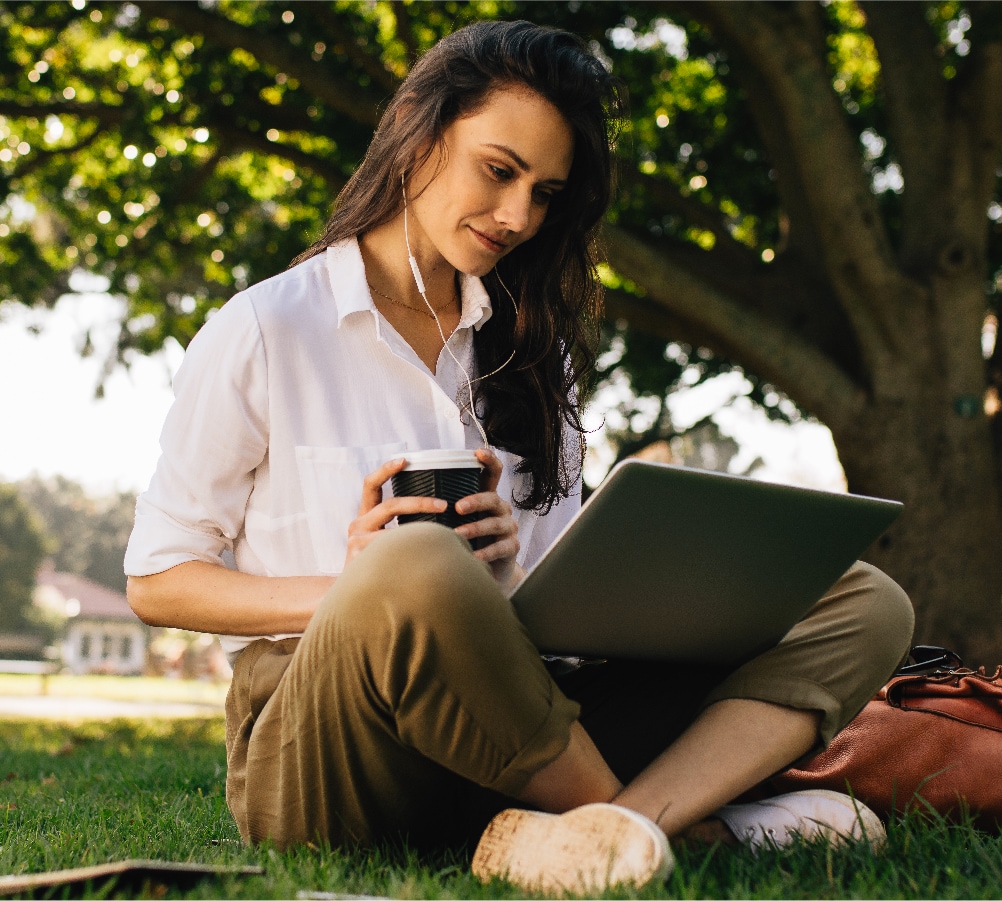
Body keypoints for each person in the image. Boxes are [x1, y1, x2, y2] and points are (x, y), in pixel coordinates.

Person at [124, 20, 914, 895]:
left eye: (544, 193)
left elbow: (555, 608)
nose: (517, 217)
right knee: (414, 562)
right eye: (498, 171)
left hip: (513, 729)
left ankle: (599, 836)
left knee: (862, 598)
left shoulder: (535, 355)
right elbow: (158, 580)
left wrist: (517, 568)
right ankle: (669, 831)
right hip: (330, 751)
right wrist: (356, 586)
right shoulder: (268, 328)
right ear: (420, 136)